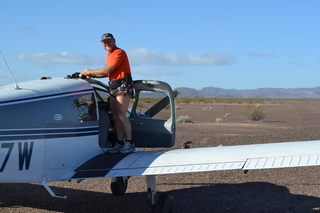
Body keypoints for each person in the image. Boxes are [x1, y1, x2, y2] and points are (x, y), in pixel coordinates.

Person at [81, 33, 135, 154]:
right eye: (104, 43)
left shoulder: (119, 53)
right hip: (113, 86)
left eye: (109, 41)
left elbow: (108, 69)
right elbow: (107, 73)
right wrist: (91, 75)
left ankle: (130, 142)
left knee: (121, 115)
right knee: (115, 116)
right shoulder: (109, 55)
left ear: (114, 41)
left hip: (123, 85)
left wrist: (91, 71)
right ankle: (120, 142)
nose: (107, 44)